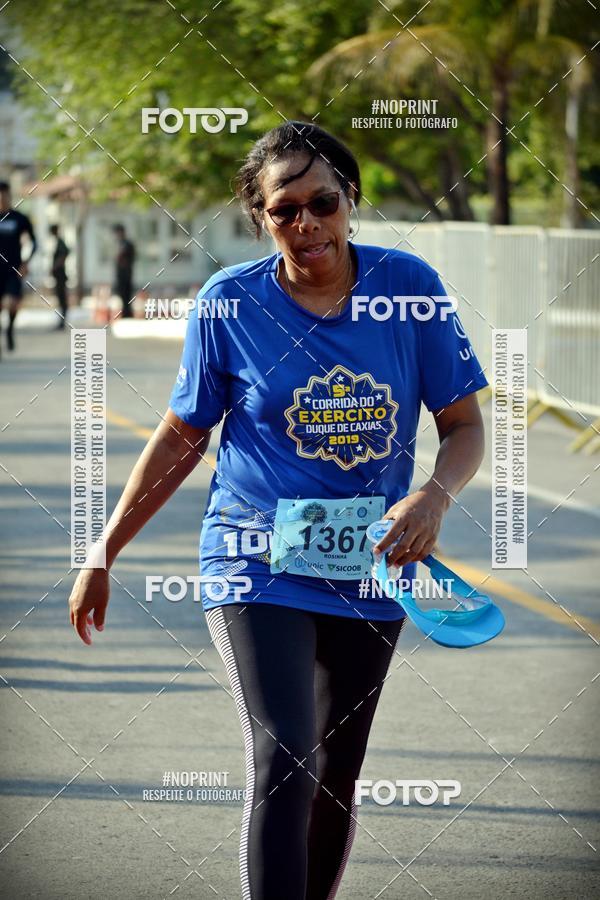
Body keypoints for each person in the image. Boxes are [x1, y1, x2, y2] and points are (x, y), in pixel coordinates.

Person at [68, 122, 489, 899]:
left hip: (371, 564)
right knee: (287, 753)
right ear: (260, 218)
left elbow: (462, 427)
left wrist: (433, 495)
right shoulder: (230, 302)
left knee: (335, 770)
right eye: (283, 209)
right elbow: (181, 437)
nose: (307, 224)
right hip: (254, 558)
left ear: (349, 200)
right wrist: (103, 550)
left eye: (321, 202)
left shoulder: (411, 289)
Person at [0, 180, 37, 355]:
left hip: (13, 268)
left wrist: (26, 262)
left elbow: (34, 242)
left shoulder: (19, 218)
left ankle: (10, 329)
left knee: (12, 303)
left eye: (4, 195)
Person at [112, 223, 135, 318]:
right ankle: (125, 311)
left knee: (126, 293)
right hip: (120, 273)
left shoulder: (127, 244)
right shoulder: (119, 244)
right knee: (121, 293)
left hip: (126, 273)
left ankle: (127, 312)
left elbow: (125, 257)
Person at [49, 224, 69, 329]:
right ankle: (61, 321)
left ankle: (62, 321)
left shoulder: (60, 243)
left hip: (60, 275)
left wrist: (55, 267)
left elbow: (64, 254)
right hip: (58, 275)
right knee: (60, 298)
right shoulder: (58, 242)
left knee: (62, 298)